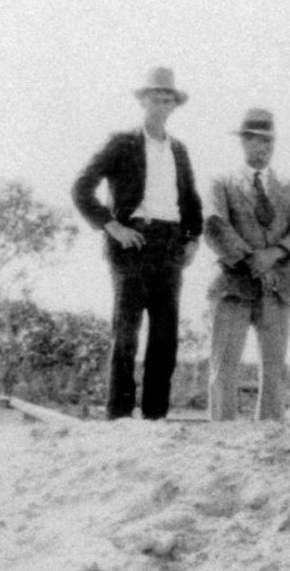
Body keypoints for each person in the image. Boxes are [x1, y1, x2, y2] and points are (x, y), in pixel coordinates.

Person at [71, 67, 202, 420]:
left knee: (165, 337)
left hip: (170, 246)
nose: (162, 104)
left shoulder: (179, 150)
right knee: (126, 333)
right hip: (132, 245)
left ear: (175, 105)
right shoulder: (122, 143)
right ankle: (119, 416)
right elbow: (82, 188)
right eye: (155, 98)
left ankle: (156, 415)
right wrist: (112, 227)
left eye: (168, 99)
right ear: (143, 101)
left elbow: (190, 199)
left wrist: (193, 238)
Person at [203, 108, 290, 422]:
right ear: (243, 142)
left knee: (275, 369)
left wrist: (275, 253)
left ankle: (271, 438)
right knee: (224, 367)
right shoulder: (222, 183)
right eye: (256, 141)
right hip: (234, 285)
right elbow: (214, 225)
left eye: (269, 142)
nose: (263, 148)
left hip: (279, 289)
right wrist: (252, 260)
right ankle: (222, 435)